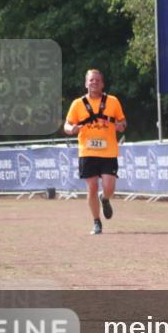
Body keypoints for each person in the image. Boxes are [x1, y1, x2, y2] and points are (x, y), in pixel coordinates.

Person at [63, 69, 127, 235]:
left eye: (97, 80)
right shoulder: (77, 104)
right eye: (91, 80)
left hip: (108, 152)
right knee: (92, 187)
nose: (94, 83)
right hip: (87, 152)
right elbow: (67, 125)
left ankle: (104, 198)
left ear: (102, 84)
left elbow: (122, 121)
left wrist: (121, 126)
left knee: (109, 187)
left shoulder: (113, 101)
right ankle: (96, 221)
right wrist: (71, 129)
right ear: (86, 83)